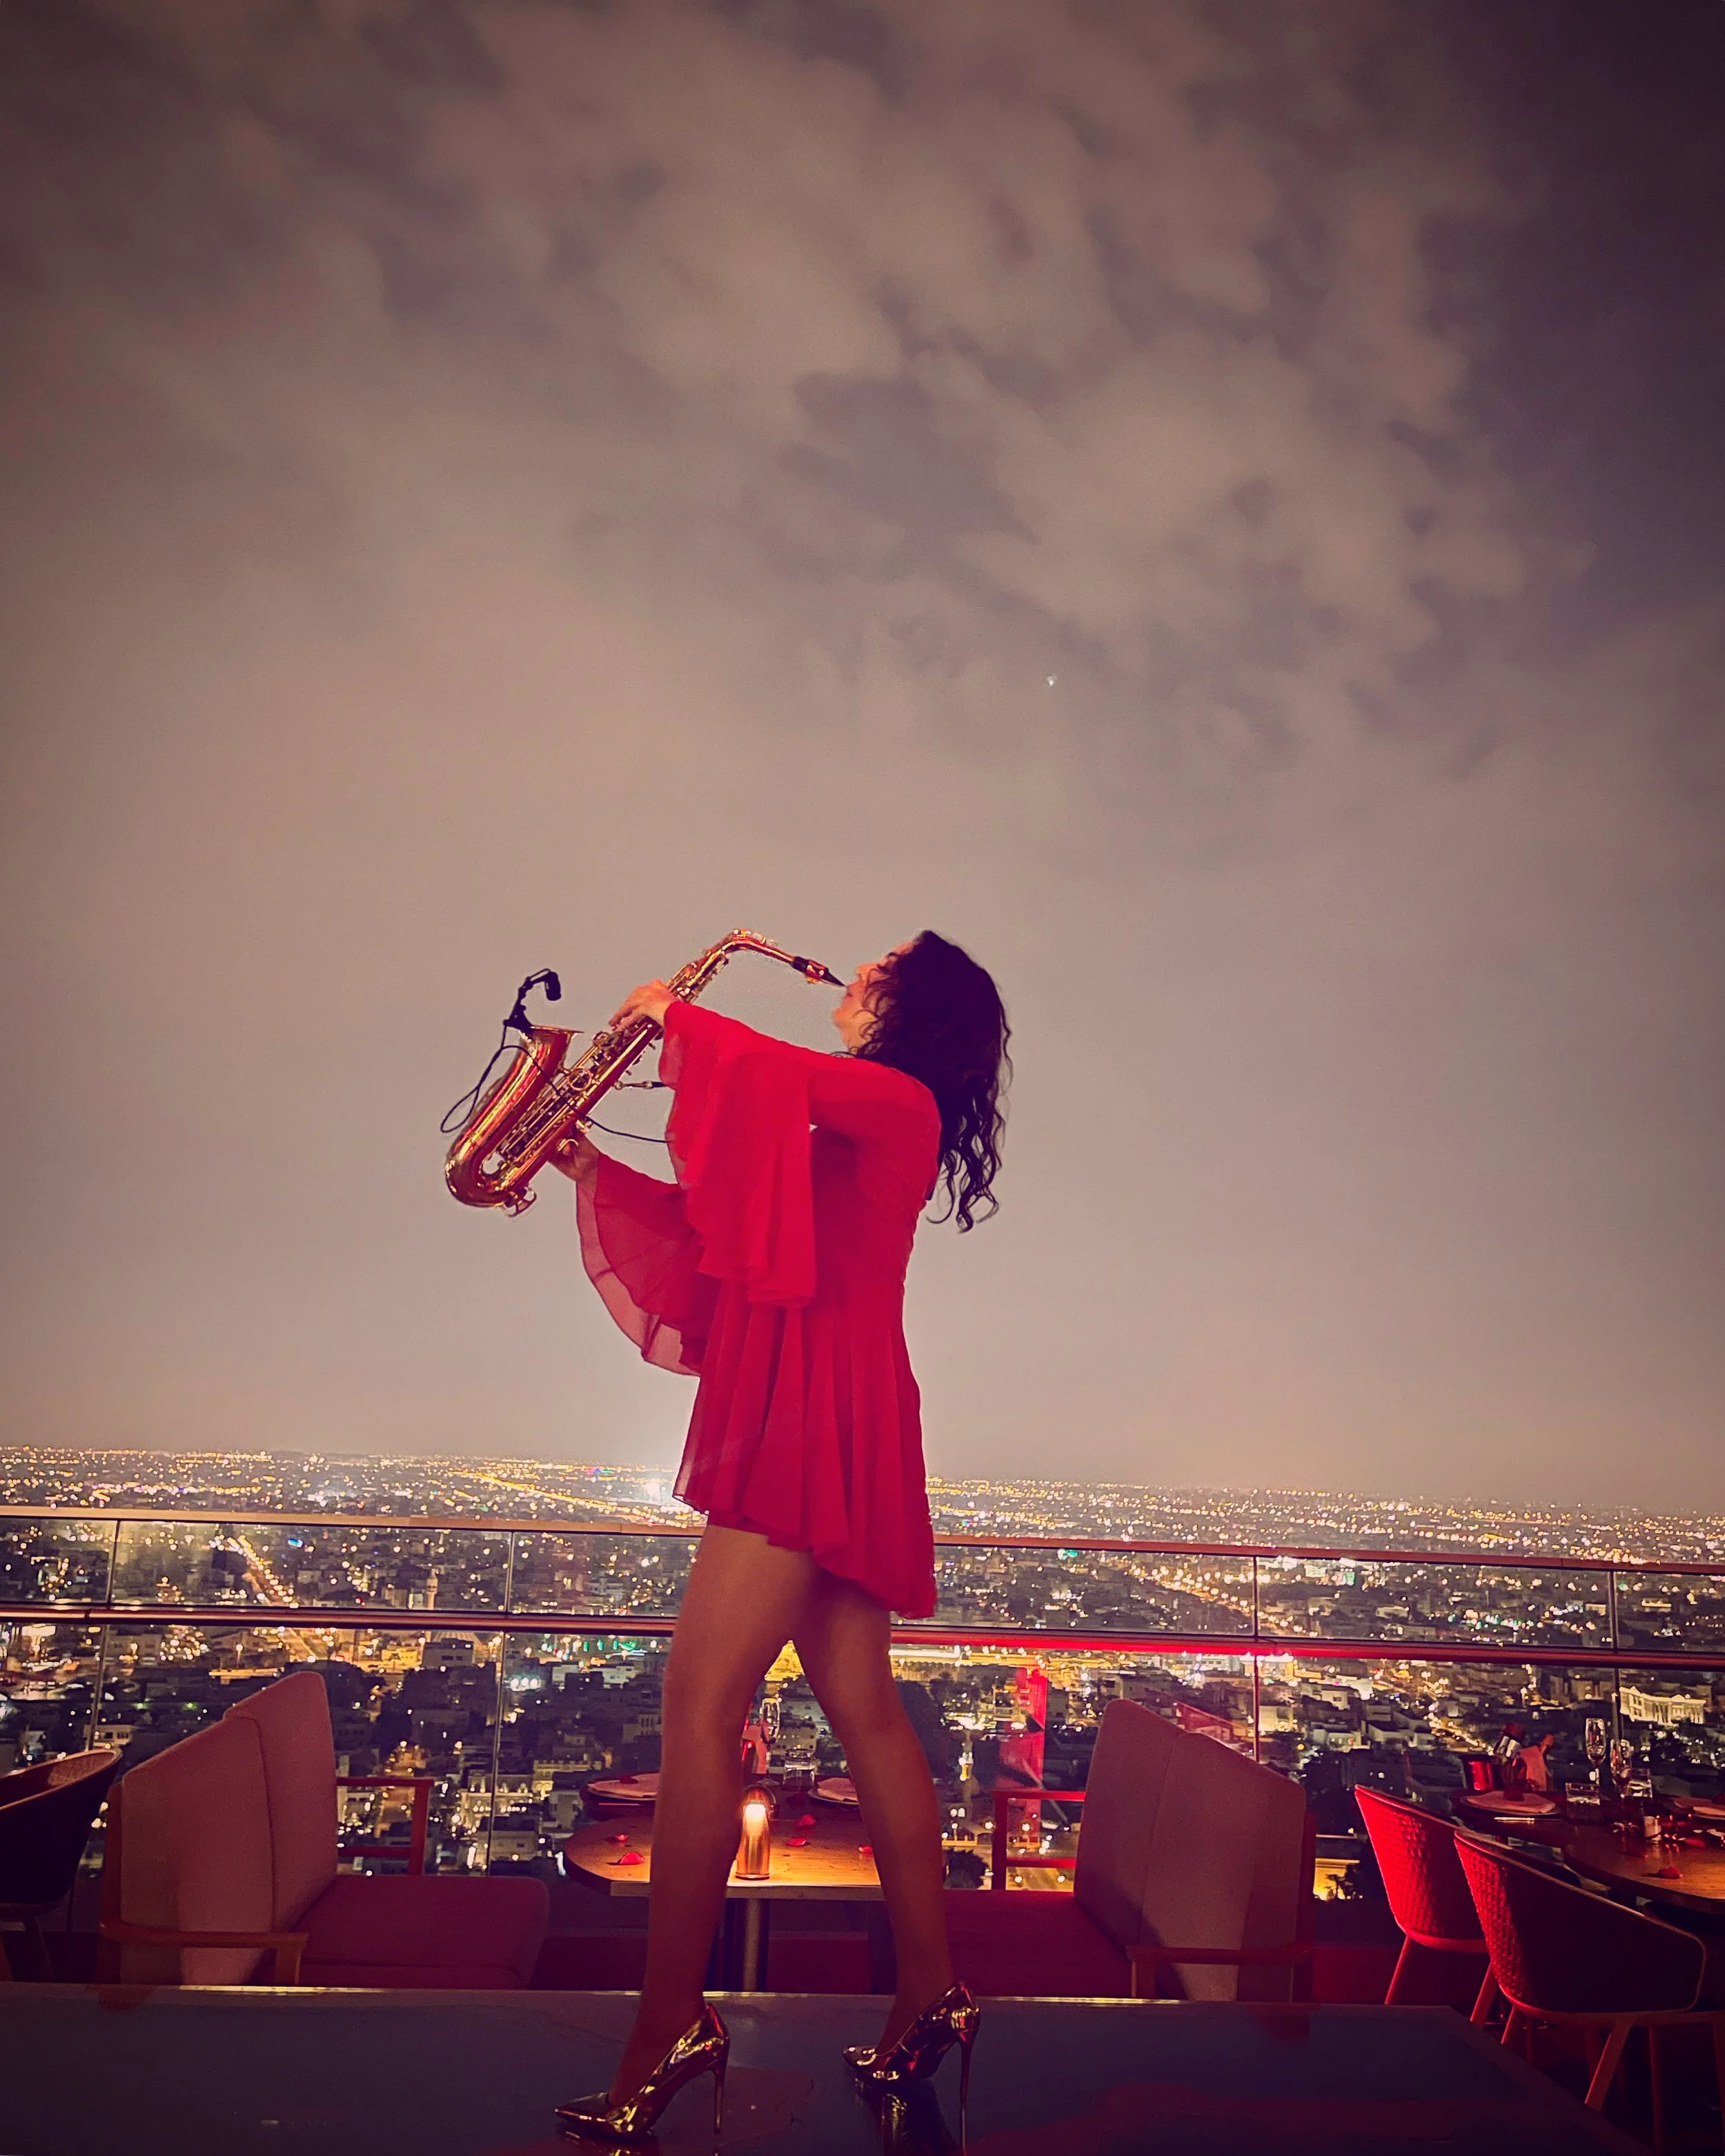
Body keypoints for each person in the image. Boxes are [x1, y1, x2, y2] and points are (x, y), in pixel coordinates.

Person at [549, 931, 1010, 2144]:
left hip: (814, 1411)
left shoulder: (894, 1098)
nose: (856, 972)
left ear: (917, 1006)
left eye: (883, 965)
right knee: (863, 1710)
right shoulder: (874, 1109)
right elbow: (727, 1227)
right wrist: (583, 1158)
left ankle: (668, 2026)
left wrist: (673, 1016)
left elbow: (775, 1079)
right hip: (827, 1401)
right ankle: (933, 1992)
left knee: (697, 1711)